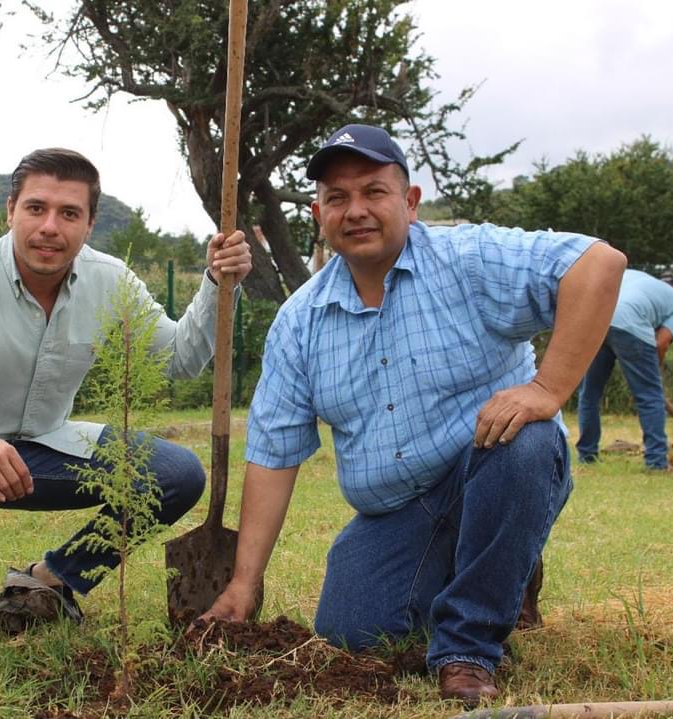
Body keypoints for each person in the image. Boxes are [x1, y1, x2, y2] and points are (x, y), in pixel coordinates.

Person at [201, 124, 627, 706]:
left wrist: (548, 389)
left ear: (410, 201)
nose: (356, 211)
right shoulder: (300, 322)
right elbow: (274, 455)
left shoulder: (468, 258)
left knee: (527, 442)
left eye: (374, 192)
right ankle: (503, 569)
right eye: (337, 198)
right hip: (399, 510)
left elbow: (598, 264)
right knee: (352, 634)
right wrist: (244, 585)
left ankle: (469, 647)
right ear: (316, 212)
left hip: (494, 465)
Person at [0, 147, 252, 649]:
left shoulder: (110, 279)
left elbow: (179, 358)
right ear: (10, 211)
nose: (51, 226)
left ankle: (54, 579)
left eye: (69, 213)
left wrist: (215, 284)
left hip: (51, 445)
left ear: (89, 224)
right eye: (36, 208)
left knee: (177, 474)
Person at [576, 270, 673, 469]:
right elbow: (661, 343)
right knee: (650, 396)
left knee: (590, 393)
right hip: (631, 324)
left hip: (597, 319)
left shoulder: (635, 276)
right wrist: (655, 369)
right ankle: (656, 461)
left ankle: (587, 455)